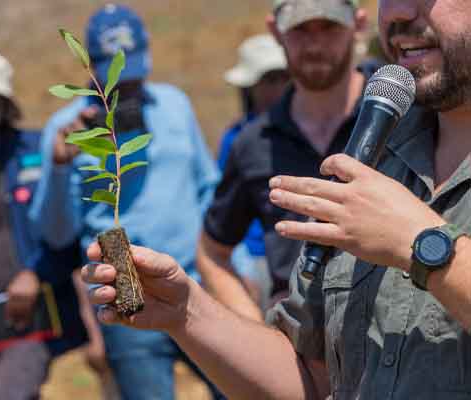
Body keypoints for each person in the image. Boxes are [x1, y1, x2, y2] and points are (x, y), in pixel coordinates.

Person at [84, 0, 471, 398]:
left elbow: (421, 245)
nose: (397, 13)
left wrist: (425, 247)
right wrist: (186, 312)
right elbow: (311, 380)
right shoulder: (375, 160)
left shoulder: (395, 210)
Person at [29, 4, 224, 399]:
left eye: (133, 78)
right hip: (127, 298)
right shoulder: (67, 131)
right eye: (119, 84)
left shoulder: (175, 105)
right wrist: (62, 167)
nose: (128, 93)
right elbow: (54, 233)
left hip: (197, 286)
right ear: (94, 72)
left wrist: (228, 269)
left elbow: (209, 190)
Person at [197, 0, 375, 321]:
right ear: (275, 31)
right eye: (300, 29)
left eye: (330, 27)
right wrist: (258, 334)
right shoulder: (253, 144)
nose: (315, 44)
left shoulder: (404, 114)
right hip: (303, 355)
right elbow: (212, 252)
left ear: (358, 24)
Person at [0, 48, 87, 400]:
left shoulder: (35, 152)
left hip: (22, 317)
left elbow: (67, 233)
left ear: (3, 108)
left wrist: (37, 272)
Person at [217, 33, 290, 307]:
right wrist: (241, 264)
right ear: (250, 87)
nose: (281, 87)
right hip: (258, 257)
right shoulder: (236, 139)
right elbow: (223, 206)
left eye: (285, 78)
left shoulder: (306, 131)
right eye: (271, 80)